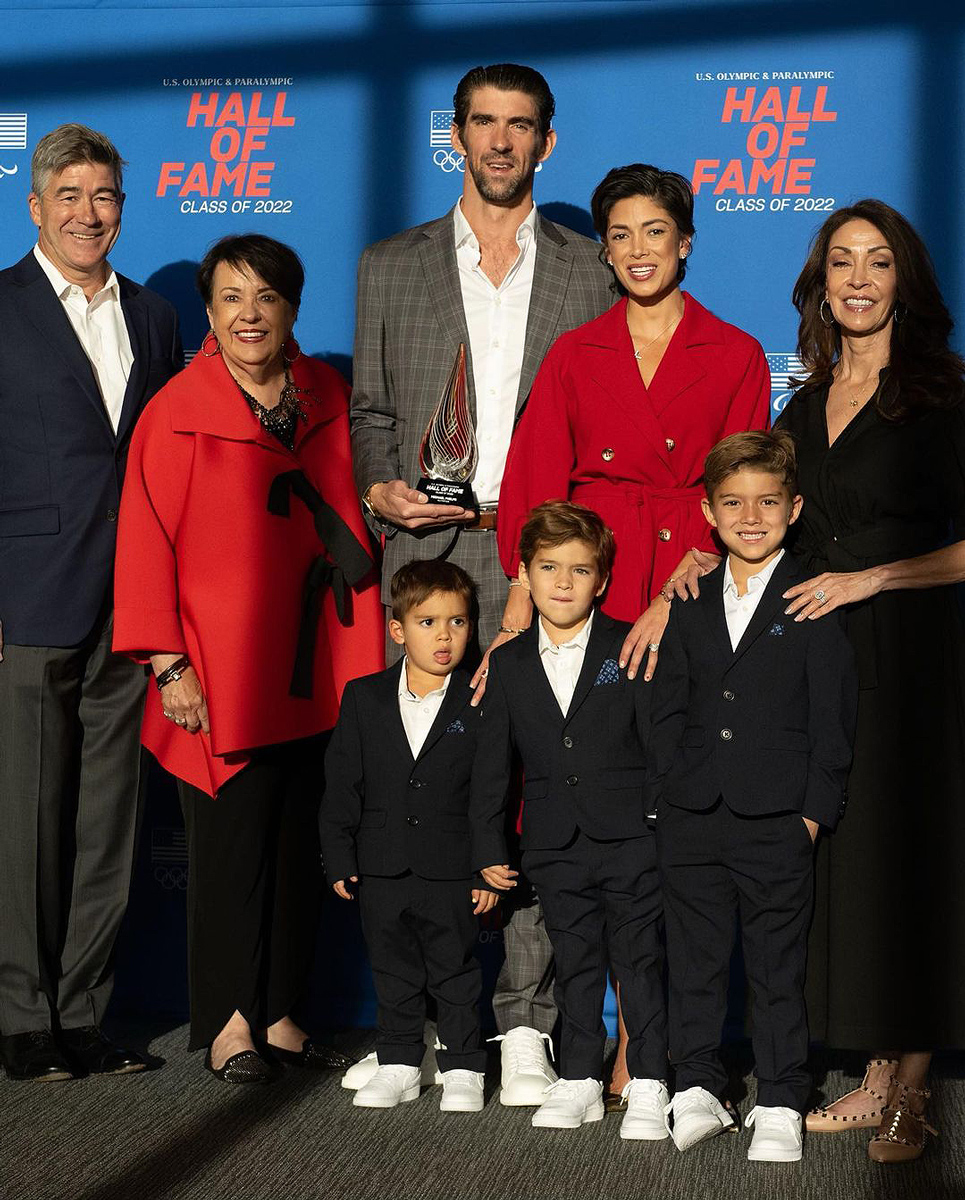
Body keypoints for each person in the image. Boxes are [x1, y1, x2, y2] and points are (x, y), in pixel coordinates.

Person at [350, 62, 614, 1103]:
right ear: (453, 135)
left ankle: (522, 1026)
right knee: (425, 786)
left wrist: (548, 563)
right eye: (482, 124)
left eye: (519, 126)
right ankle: (423, 1027)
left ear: (546, 143)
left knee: (540, 783)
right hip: (426, 557)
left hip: (545, 558)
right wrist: (380, 489)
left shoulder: (592, 270)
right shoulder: (388, 264)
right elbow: (370, 411)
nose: (499, 143)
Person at [493, 162, 771, 1095]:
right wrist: (516, 622)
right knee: (590, 814)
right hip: (590, 595)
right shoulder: (576, 353)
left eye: (656, 231)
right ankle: (592, 1028)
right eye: (620, 234)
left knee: (674, 813)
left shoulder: (733, 354)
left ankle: (645, 1040)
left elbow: (734, 496)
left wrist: (671, 589)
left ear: (685, 241)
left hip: (688, 602)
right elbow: (535, 496)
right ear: (603, 250)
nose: (639, 250)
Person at [113, 234, 383, 1083]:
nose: (249, 314)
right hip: (216, 669)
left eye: (265, 297)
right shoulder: (177, 407)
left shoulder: (325, 394)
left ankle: (281, 1014)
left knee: (302, 836)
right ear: (209, 312)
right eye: (231, 297)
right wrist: (167, 664)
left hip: (313, 661)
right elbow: (144, 541)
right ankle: (228, 1023)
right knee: (230, 848)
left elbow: (350, 520)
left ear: (293, 309)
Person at [773, 199, 965, 1162]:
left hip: (917, 656)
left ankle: (910, 1090)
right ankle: (873, 1068)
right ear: (820, 283)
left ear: (904, 282)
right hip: (823, 665)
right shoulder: (799, 408)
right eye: (840, 260)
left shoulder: (943, 395)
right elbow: (769, 527)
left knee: (911, 858)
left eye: (877, 261)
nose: (857, 277)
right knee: (845, 859)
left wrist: (876, 576)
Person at [0, 124, 182, 1082]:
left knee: (110, 820)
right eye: (67, 194)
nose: (86, 212)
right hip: (28, 598)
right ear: (34, 207)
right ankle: (22, 1015)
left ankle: (83, 1012)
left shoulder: (154, 318)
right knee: (27, 815)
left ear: (123, 207)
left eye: (103, 195)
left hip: (135, 602)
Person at [651, 431, 857, 1162]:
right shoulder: (688, 596)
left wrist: (811, 812)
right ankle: (699, 1084)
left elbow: (832, 716)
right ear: (707, 512)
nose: (749, 515)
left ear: (793, 508)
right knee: (696, 958)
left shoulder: (812, 598)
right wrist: (669, 793)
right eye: (732, 503)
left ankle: (778, 1094)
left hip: (776, 818)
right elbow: (665, 705)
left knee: (776, 965)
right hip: (692, 815)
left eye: (767, 502)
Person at [473, 501, 667, 1137]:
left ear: (602, 581)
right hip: (554, 842)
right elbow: (493, 769)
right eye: (548, 568)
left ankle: (648, 1077)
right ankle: (582, 1074)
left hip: (632, 836)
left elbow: (659, 745)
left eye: (579, 571)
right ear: (523, 575)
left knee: (640, 959)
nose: (562, 582)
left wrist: (657, 821)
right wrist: (488, 844)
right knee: (577, 959)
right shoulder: (506, 662)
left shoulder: (630, 644)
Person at [321, 559, 499, 1113]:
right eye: (427, 623)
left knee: (455, 970)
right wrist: (339, 856)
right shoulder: (363, 696)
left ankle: (465, 1064)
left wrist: (485, 865)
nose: (445, 636)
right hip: (381, 865)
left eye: (458, 622)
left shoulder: (484, 696)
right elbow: (342, 784)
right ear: (397, 630)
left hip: (451, 868)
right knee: (392, 968)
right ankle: (399, 1060)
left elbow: (489, 792)